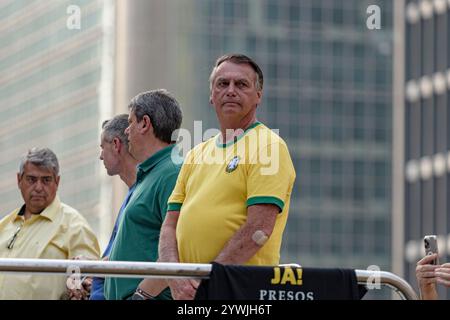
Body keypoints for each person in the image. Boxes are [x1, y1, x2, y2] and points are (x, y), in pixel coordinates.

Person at [158, 53, 296, 300]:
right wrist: (175, 278)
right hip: (190, 295)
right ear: (211, 95)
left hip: (241, 292)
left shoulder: (269, 147)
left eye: (241, 84)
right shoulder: (195, 154)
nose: (230, 91)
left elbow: (259, 228)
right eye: (222, 84)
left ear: (258, 96)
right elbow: (169, 225)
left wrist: (211, 281)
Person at [103, 89, 183, 300]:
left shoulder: (172, 172)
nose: (126, 131)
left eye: (130, 122)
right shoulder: (151, 174)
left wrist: (141, 295)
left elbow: (178, 246)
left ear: (145, 124)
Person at [0, 147, 100, 300]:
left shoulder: (75, 226)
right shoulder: (4, 225)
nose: (39, 187)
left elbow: (89, 285)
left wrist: (80, 286)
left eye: (46, 180)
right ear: (19, 180)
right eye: (31, 179)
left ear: (57, 181)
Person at [84, 114, 138, 300]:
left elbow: (138, 256)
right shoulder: (131, 196)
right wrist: (96, 268)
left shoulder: (141, 196)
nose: (100, 156)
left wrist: (94, 266)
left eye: (102, 147)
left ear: (116, 145)